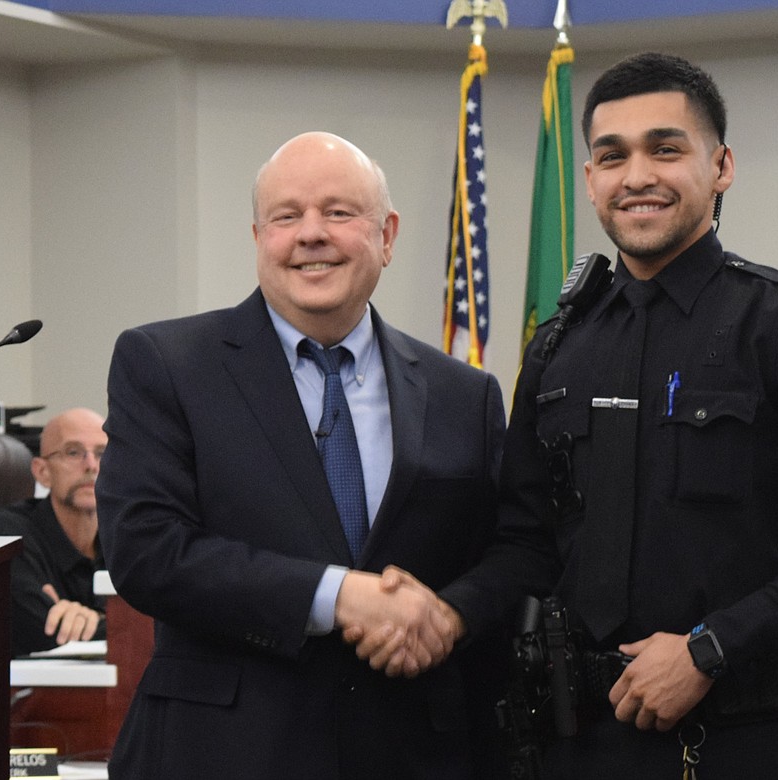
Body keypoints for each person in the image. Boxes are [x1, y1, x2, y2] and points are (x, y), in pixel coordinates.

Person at [381, 52, 778, 778]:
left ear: (721, 166)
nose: (637, 175)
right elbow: (526, 544)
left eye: (665, 149)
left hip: (737, 738)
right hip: (576, 744)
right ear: (591, 181)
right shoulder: (558, 346)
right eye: (612, 156)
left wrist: (712, 647)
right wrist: (449, 613)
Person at [94, 131, 506, 778]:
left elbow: (508, 554)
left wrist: (450, 616)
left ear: (388, 235)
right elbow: (145, 551)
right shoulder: (167, 366)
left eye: (339, 213)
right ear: (259, 238)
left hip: (412, 752)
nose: (311, 234)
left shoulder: (465, 394)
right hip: (221, 753)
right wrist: (340, 597)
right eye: (287, 217)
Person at [0, 407, 107, 657]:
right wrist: (117, 623)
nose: (91, 465)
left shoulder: (129, 536)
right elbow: (42, 632)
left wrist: (96, 619)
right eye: (73, 452)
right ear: (42, 472)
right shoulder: (8, 535)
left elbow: (161, 625)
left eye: (103, 453)